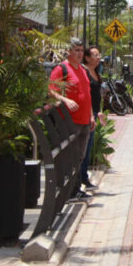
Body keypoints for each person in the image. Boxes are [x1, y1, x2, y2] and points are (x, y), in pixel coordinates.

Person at [50, 38, 93, 199]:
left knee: (79, 157)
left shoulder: (82, 70)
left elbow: (87, 94)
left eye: (81, 50)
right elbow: (52, 90)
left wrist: (91, 116)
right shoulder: (61, 69)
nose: (80, 53)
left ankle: (75, 189)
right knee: (68, 156)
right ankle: (65, 190)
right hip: (69, 121)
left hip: (84, 121)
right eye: (76, 50)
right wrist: (66, 100)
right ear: (68, 52)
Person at [81, 46, 104, 189]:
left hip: (94, 113)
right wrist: (91, 115)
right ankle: (81, 178)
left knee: (88, 148)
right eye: (95, 55)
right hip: (87, 114)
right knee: (84, 148)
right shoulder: (84, 72)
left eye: (99, 54)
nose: (98, 57)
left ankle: (84, 177)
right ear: (87, 57)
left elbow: (96, 96)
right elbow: (86, 95)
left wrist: (99, 111)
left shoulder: (96, 71)